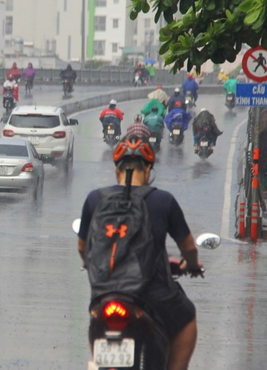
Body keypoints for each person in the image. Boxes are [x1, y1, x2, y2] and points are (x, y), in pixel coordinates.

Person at [77, 135, 204, 370]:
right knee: (187, 318)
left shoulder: (94, 199)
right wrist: (193, 266)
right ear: (148, 170)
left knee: (96, 322)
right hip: (153, 294)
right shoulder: (163, 200)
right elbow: (188, 247)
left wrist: (92, 266)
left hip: (105, 294)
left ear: (117, 170)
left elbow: (82, 248)